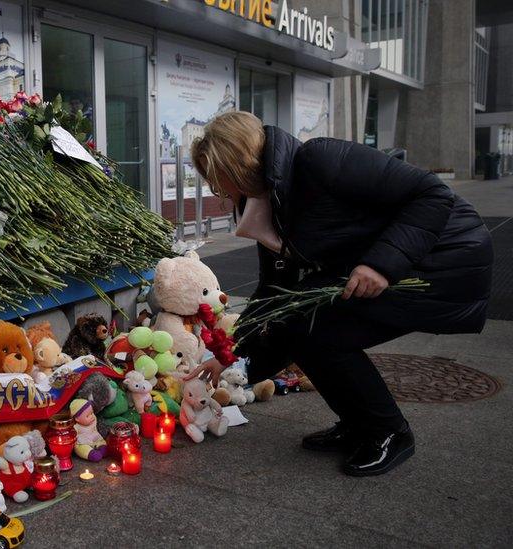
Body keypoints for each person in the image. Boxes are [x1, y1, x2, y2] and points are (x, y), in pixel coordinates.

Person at [187, 111, 492, 476]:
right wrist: (231, 356)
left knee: (322, 332)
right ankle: (359, 423)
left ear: (238, 165)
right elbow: (274, 295)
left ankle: (389, 433)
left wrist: (381, 264)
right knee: (304, 326)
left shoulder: (320, 160)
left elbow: (432, 194)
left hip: (443, 260)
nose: (216, 191)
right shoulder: (267, 202)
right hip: (397, 262)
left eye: (219, 181)